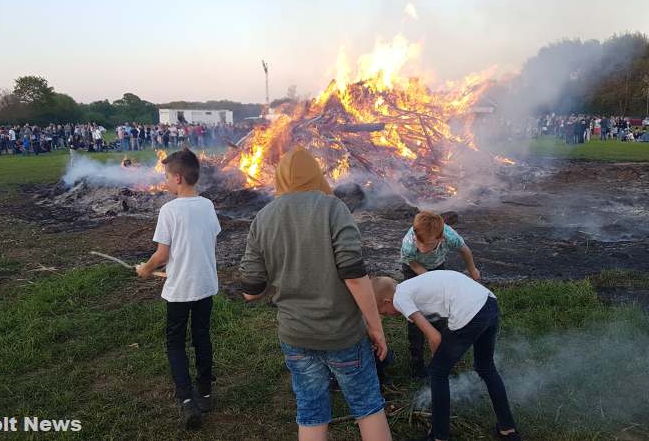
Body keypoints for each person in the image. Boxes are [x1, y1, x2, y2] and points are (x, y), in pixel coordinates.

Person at [239, 146, 391, 441]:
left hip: (296, 337)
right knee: (367, 407)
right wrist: (375, 326)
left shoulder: (263, 217)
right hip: (343, 334)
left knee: (311, 411)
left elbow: (251, 290)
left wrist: (283, 273)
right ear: (316, 175)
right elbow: (355, 276)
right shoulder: (334, 208)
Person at [373, 271, 521, 441]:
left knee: (437, 373)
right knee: (485, 367)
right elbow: (433, 334)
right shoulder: (413, 287)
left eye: (383, 312)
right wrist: (442, 358)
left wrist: (440, 365)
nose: (386, 316)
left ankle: (439, 436)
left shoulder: (400, 298)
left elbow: (435, 337)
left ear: (386, 301)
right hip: (488, 303)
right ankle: (508, 430)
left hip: (470, 313)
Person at [136, 149, 221, 430]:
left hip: (179, 290)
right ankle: (205, 392)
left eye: (167, 178)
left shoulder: (169, 210)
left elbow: (162, 255)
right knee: (201, 336)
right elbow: (210, 237)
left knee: (175, 342)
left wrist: (146, 269)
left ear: (179, 178)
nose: (165, 183)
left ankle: (186, 399)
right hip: (205, 285)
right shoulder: (207, 205)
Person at [400, 211, 480, 378]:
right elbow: (413, 263)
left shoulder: (450, 236)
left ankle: (443, 352)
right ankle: (417, 361)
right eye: (419, 243)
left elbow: (464, 250)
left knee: (440, 308)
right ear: (414, 234)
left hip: (437, 266)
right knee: (416, 313)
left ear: (440, 238)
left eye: (428, 245)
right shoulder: (409, 244)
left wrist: (472, 269)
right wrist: (430, 281)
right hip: (414, 270)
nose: (421, 248)